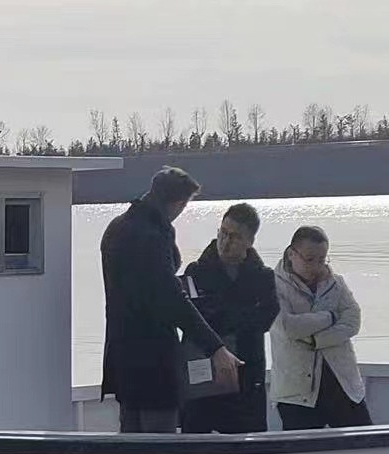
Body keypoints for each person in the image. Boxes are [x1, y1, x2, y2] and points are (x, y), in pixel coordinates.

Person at [101, 167, 238, 433]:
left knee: (130, 439)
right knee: (158, 445)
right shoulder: (152, 237)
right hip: (153, 360)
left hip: (121, 354)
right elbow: (171, 299)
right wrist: (216, 348)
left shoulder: (116, 228)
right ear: (178, 203)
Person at [179, 204, 279, 433]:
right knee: (195, 443)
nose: (225, 241)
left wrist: (222, 315)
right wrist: (238, 316)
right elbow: (193, 318)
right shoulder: (195, 272)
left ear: (249, 241)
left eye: (234, 237)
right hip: (203, 372)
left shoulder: (263, 277)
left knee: (249, 447)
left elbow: (265, 319)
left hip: (246, 375)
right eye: (223, 232)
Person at [269, 225, 370, 429]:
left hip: (342, 384)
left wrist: (316, 340)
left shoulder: (336, 283)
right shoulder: (271, 286)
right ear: (291, 254)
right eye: (309, 259)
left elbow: (352, 321)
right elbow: (289, 328)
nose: (316, 266)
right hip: (295, 393)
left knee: (365, 447)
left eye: (322, 259)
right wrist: (330, 316)